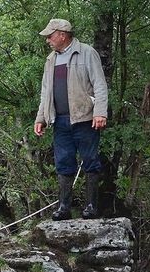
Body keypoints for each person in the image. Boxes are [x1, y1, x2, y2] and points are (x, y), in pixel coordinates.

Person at [34, 18, 108, 220]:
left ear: (62, 35)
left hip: (85, 118)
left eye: (50, 36)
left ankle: (91, 207)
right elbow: (45, 92)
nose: (48, 40)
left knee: (90, 162)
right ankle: (64, 208)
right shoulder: (50, 60)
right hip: (59, 120)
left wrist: (100, 112)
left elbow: (100, 85)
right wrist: (41, 117)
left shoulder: (87, 52)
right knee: (64, 163)